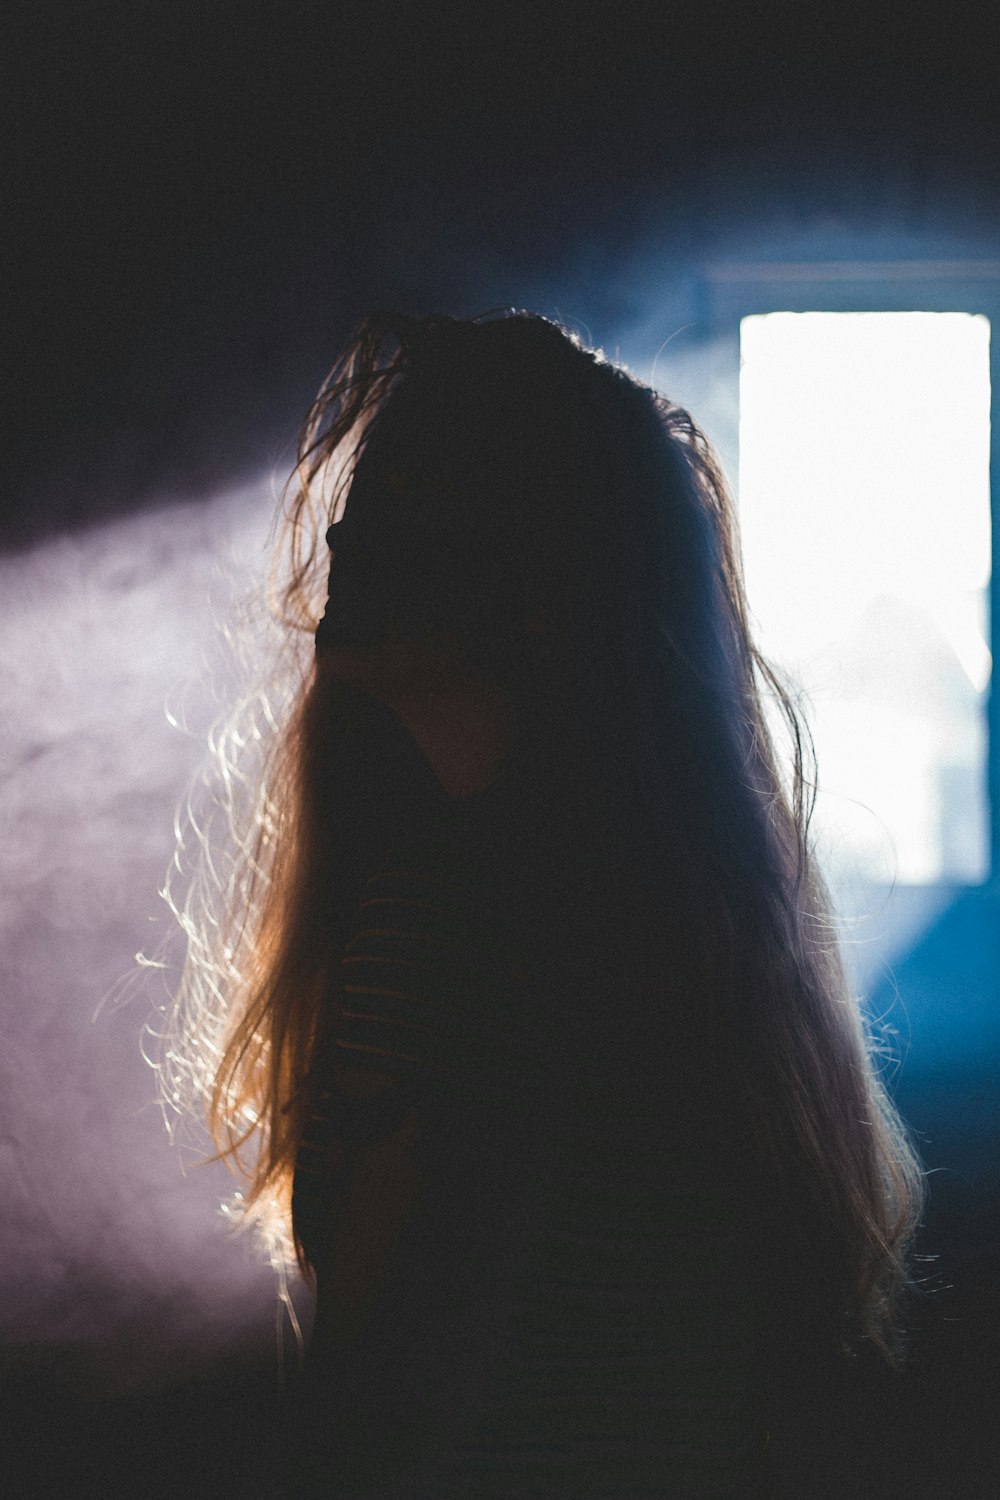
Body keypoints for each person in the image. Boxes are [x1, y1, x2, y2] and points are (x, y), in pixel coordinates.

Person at [160, 310, 924, 1496]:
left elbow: (385, 1423)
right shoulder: (674, 926)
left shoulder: (447, 932)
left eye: (416, 494)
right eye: (370, 489)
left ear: (532, 577)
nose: (350, 536)